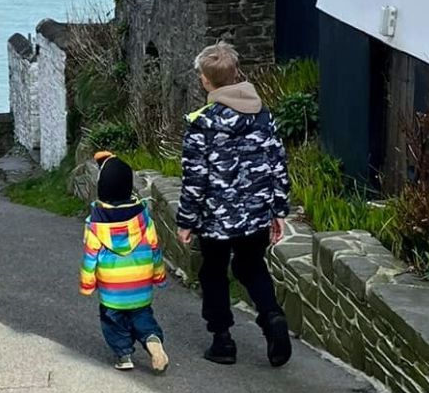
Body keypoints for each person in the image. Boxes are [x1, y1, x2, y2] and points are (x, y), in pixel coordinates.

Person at [174, 42, 292, 367]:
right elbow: (278, 165)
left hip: (216, 219)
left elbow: (195, 180)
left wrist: (186, 221)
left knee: (213, 272)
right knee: (251, 266)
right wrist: (278, 211)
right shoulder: (263, 116)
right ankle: (272, 317)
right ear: (236, 74)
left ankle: (223, 341)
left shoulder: (202, 124)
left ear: (206, 82)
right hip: (255, 215)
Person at [79, 151, 170, 372]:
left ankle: (123, 355)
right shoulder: (143, 218)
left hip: (112, 288)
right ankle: (152, 341)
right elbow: (154, 248)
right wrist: (159, 275)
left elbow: (90, 257)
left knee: (113, 321)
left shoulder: (95, 224)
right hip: (140, 282)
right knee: (142, 315)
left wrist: (87, 284)